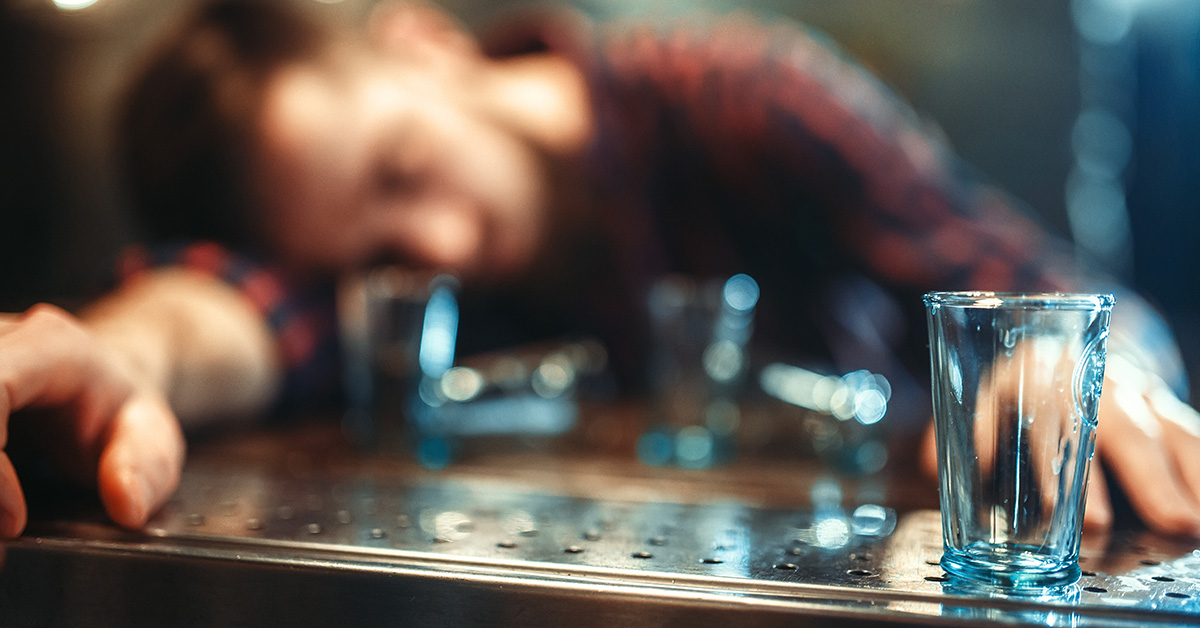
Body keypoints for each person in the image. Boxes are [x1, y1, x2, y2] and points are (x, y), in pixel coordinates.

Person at [1, 0, 1198, 540]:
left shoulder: (737, 94)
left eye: (403, 170)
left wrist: (1078, 368)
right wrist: (118, 350)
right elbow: (236, 313)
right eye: (378, 257)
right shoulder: (408, 268)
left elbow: (1041, 283)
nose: (446, 252)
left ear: (423, 42)